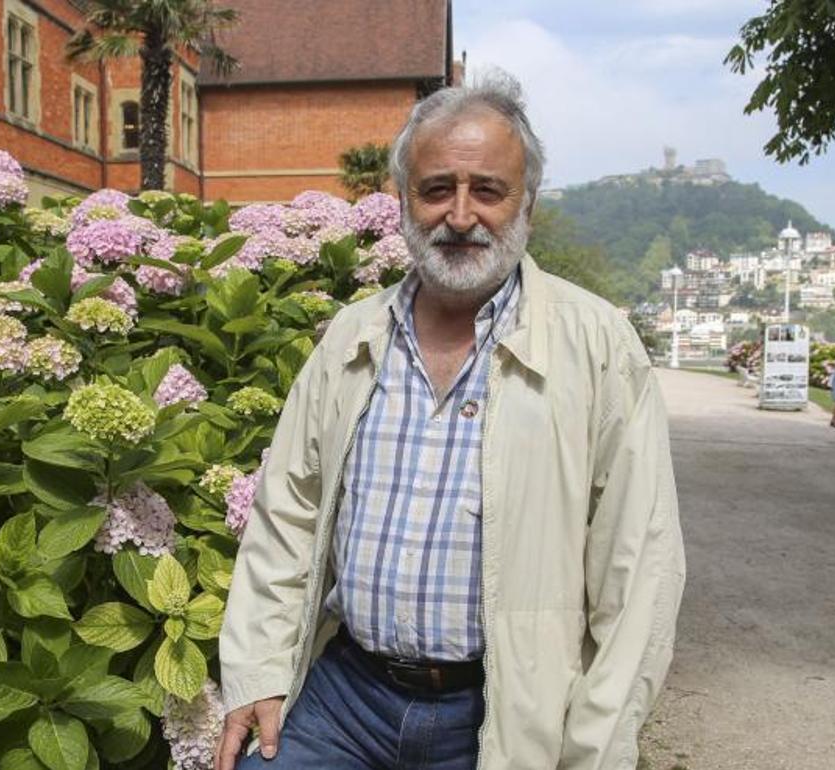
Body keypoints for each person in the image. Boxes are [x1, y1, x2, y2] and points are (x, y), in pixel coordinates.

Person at [215, 75, 686, 770]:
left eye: (487, 191)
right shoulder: (352, 336)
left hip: (502, 711)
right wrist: (258, 674)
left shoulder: (597, 348)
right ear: (405, 198)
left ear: (527, 203)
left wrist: (595, 750)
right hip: (346, 700)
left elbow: (638, 571)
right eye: (437, 188)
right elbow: (288, 514)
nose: (460, 215)